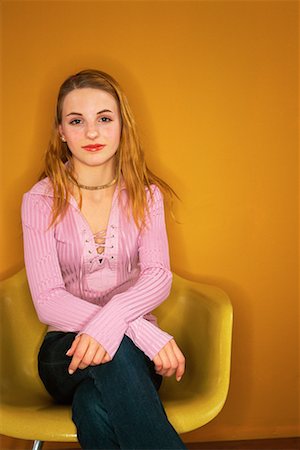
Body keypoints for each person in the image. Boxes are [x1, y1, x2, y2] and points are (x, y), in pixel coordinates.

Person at [21, 69, 187, 450]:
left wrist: (111, 326)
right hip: (65, 352)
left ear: (121, 126)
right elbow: (47, 300)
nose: (91, 133)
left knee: (94, 406)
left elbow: (158, 275)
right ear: (61, 131)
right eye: (77, 121)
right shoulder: (39, 200)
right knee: (119, 350)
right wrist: (140, 330)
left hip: (130, 364)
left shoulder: (147, 195)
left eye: (104, 119)